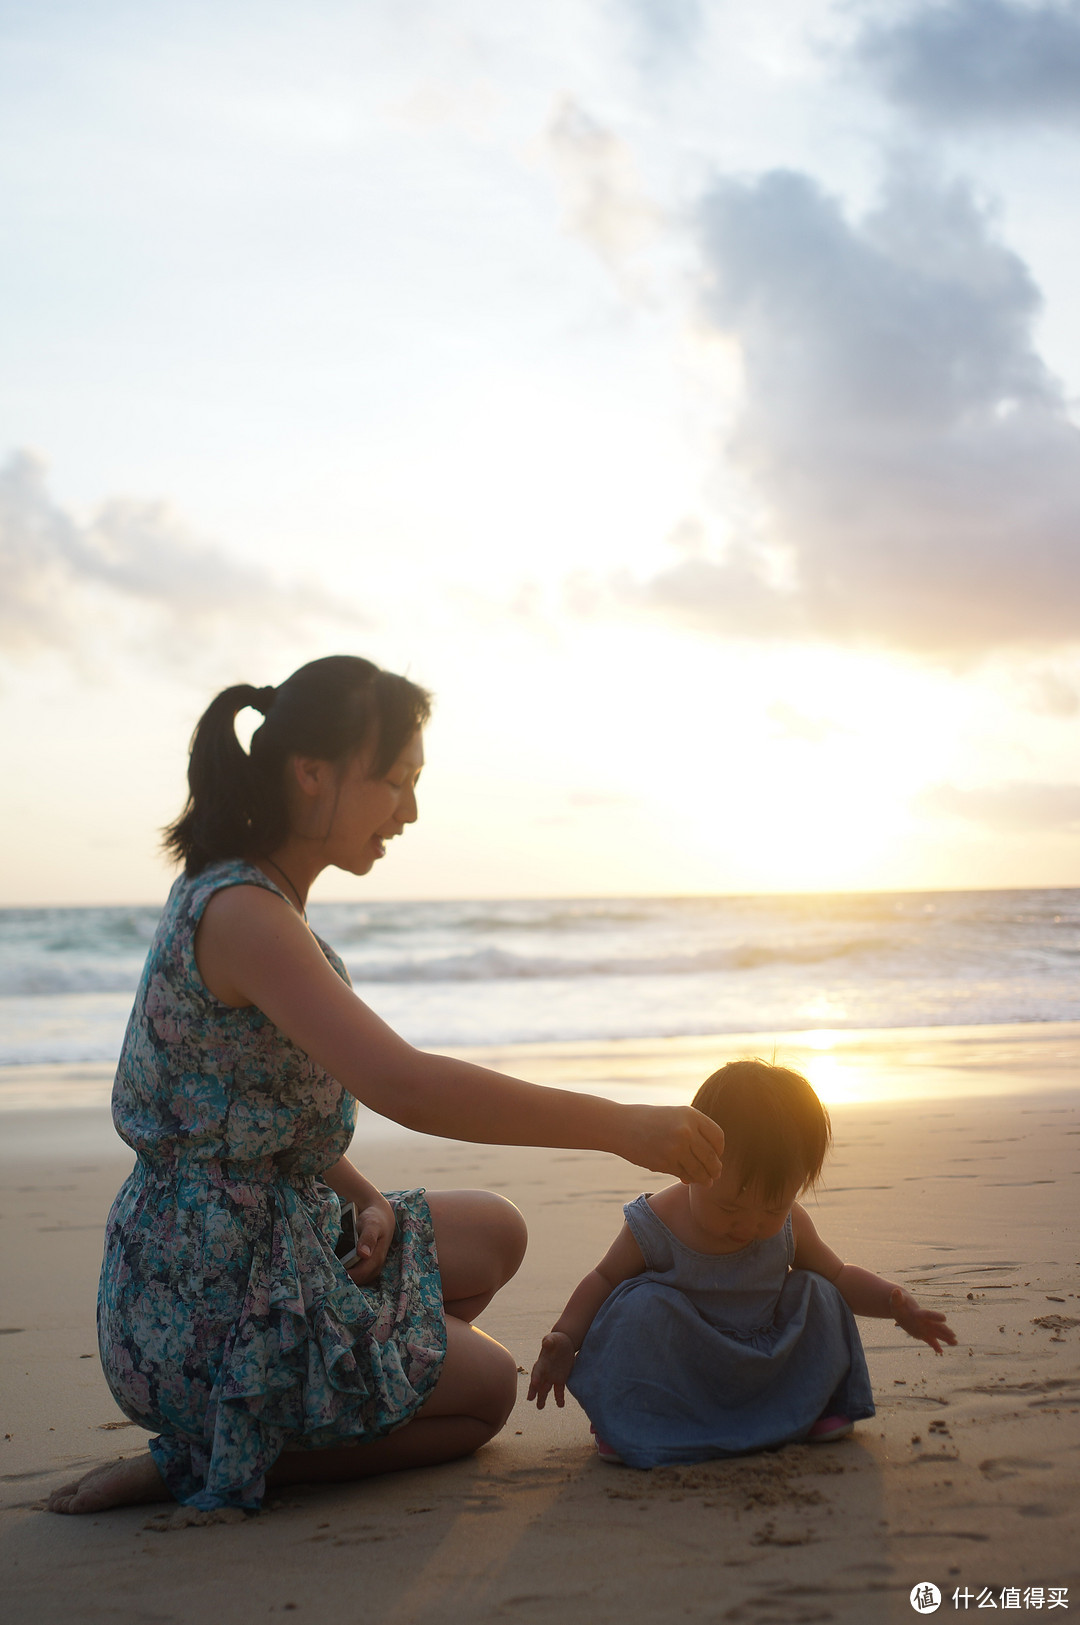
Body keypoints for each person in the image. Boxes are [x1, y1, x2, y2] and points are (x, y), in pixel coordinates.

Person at [46, 655, 724, 1516]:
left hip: (265, 1233)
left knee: (496, 1231)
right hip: (201, 1298)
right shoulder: (246, 914)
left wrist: (361, 1191)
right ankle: (219, 1454)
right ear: (313, 774)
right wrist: (621, 1124)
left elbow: (243, 1109)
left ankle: (319, 1395)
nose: (409, 810)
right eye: (396, 780)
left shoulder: (260, 900)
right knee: (488, 1391)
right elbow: (407, 1082)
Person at [528, 1059, 957, 1467]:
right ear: (689, 1167)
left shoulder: (792, 1225)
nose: (749, 1224)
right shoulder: (655, 1223)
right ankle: (638, 1421)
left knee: (817, 1290)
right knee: (638, 1307)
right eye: (730, 1208)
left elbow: (840, 1276)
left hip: (763, 1364)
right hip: (681, 1373)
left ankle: (811, 1406)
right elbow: (602, 1278)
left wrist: (896, 1305)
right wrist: (565, 1336)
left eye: (772, 1209)